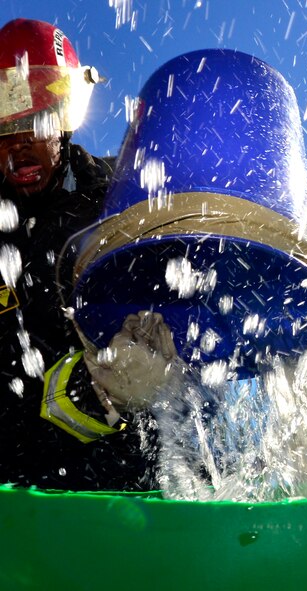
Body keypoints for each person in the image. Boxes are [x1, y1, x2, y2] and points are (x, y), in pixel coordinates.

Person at [0, 19, 177, 491]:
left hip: (131, 488)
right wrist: (84, 393)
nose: (20, 140)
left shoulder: (118, 200)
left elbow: (185, 292)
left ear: (66, 114)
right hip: (18, 491)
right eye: (5, 121)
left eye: (39, 115)